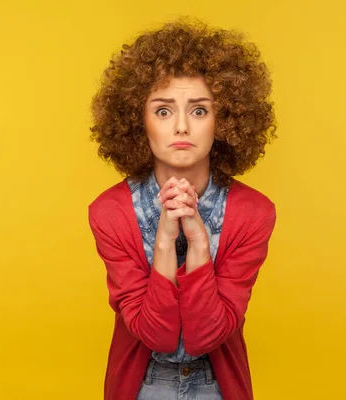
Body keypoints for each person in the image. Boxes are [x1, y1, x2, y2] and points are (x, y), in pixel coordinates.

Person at [88, 18, 277, 400]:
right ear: (138, 121)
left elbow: (206, 335)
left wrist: (199, 243)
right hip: (142, 386)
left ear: (223, 120)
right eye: (162, 111)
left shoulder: (254, 213)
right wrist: (163, 241)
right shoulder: (109, 213)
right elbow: (155, 334)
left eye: (199, 110)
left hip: (216, 386)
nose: (180, 128)